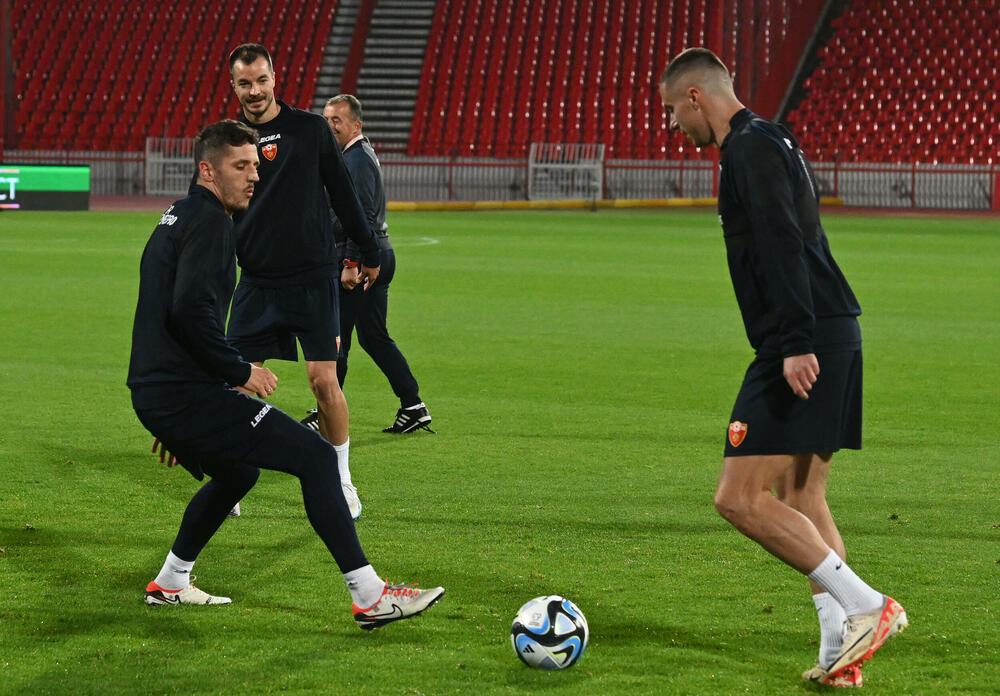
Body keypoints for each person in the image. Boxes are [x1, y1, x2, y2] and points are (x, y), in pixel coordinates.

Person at [127, 120, 444, 627]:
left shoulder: (180, 214)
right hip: (178, 393)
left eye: (255, 165)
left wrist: (171, 411)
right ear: (208, 171)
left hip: (163, 391)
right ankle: (370, 597)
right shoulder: (211, 223)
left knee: (239, 471)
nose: (254, 176)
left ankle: (170, 583)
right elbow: (189, 313)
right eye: (241, 166)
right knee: (316, 457)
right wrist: (238, 371)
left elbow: (168, 313)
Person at [657, 48, 907, 687]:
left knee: (738, 498)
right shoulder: (772, 138)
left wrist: (794, 341)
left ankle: (867, 606)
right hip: (831, 329)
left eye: (672, 110)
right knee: (803, 496)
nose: (672, 125)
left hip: (804, 339)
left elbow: (782, 241)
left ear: (695, 97)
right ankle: (839, 652)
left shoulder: (748, 149)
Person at [226, 43, 378, 519]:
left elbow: (344, 195)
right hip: (256, 280)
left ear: (275, 78)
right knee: (236, 383)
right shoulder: (227, 139)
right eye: (245, 83)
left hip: (312, 279)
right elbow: (209, 205)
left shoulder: (310, 130)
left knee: (323, 381)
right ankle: (229, 478)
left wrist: (368, 250)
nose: (254, 91)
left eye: (261, 80)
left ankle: (342, 479)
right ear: (234, 86)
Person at [317, 94, 432, 434]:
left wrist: (352, 261)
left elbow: (361, 217)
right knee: (373, 336)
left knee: (337, 339)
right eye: (326, 119)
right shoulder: (355, 155)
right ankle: (413, 405)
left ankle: (326, 414)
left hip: (361, 259)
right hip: (377, 254)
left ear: (357, 125)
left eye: (337, 120)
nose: (330, 125)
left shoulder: (356, 160)